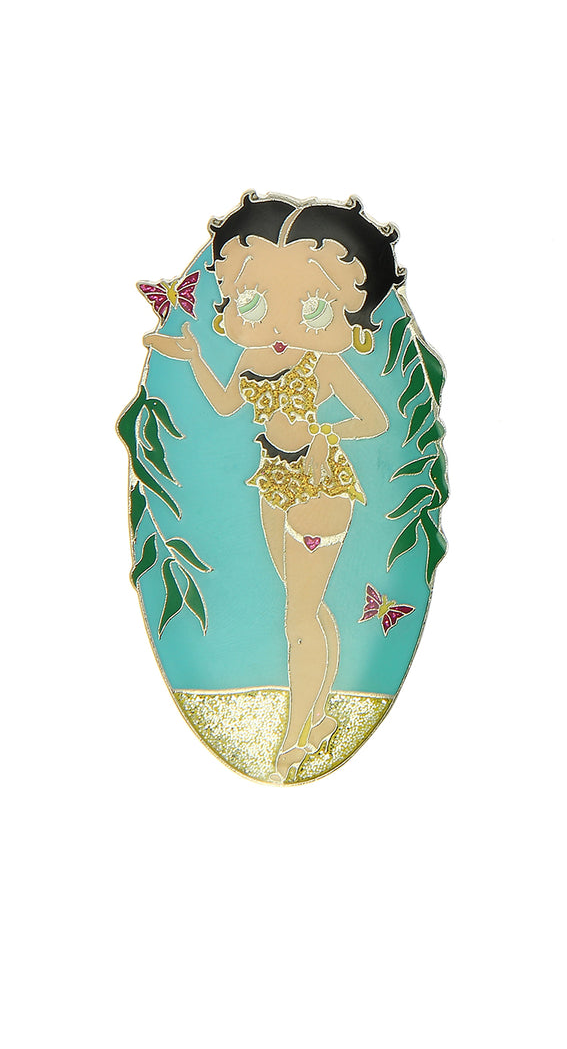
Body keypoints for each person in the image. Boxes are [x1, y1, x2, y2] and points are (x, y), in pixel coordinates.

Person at [144, 192, 405, 783]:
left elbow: (374, 420)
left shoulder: (322, 365)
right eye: (255, 302)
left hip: (319, 488)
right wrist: (193, 357)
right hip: (273, 481)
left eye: (312, 308)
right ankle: (320, 714)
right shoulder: (250, 361)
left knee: (298, 616)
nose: (281, 325)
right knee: (303, 605)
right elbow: (226, 404)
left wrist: (324, 434)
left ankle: (294, 735)